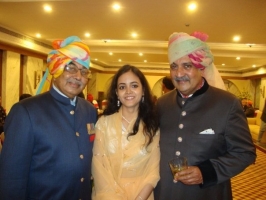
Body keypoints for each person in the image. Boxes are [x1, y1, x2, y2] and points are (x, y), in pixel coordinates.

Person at [154, 31, 256, 200]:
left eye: (187, 66)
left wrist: (206, 172)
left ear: (201, 67)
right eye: (173, 66)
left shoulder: (227, 103)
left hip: (207, 194)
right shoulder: (161, 104)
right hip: (164, 192)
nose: (179, 74)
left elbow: (245, 153)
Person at [0, 36, 97, 200]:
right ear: (55, 69)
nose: (78, 76)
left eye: (83, 71)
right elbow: (12, 179)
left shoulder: (88, 110)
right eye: (70, 68)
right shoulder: (26, 112)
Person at [91, 64, 160, 200]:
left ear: (143, 90)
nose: (128, 91)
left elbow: (153, 171)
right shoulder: (104, 124)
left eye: (134, 86)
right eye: (122, 87)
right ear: (117, 92)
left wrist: (140, 198)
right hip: (106, 195)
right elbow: (99, 167)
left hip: (142, 194)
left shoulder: (152, 126)